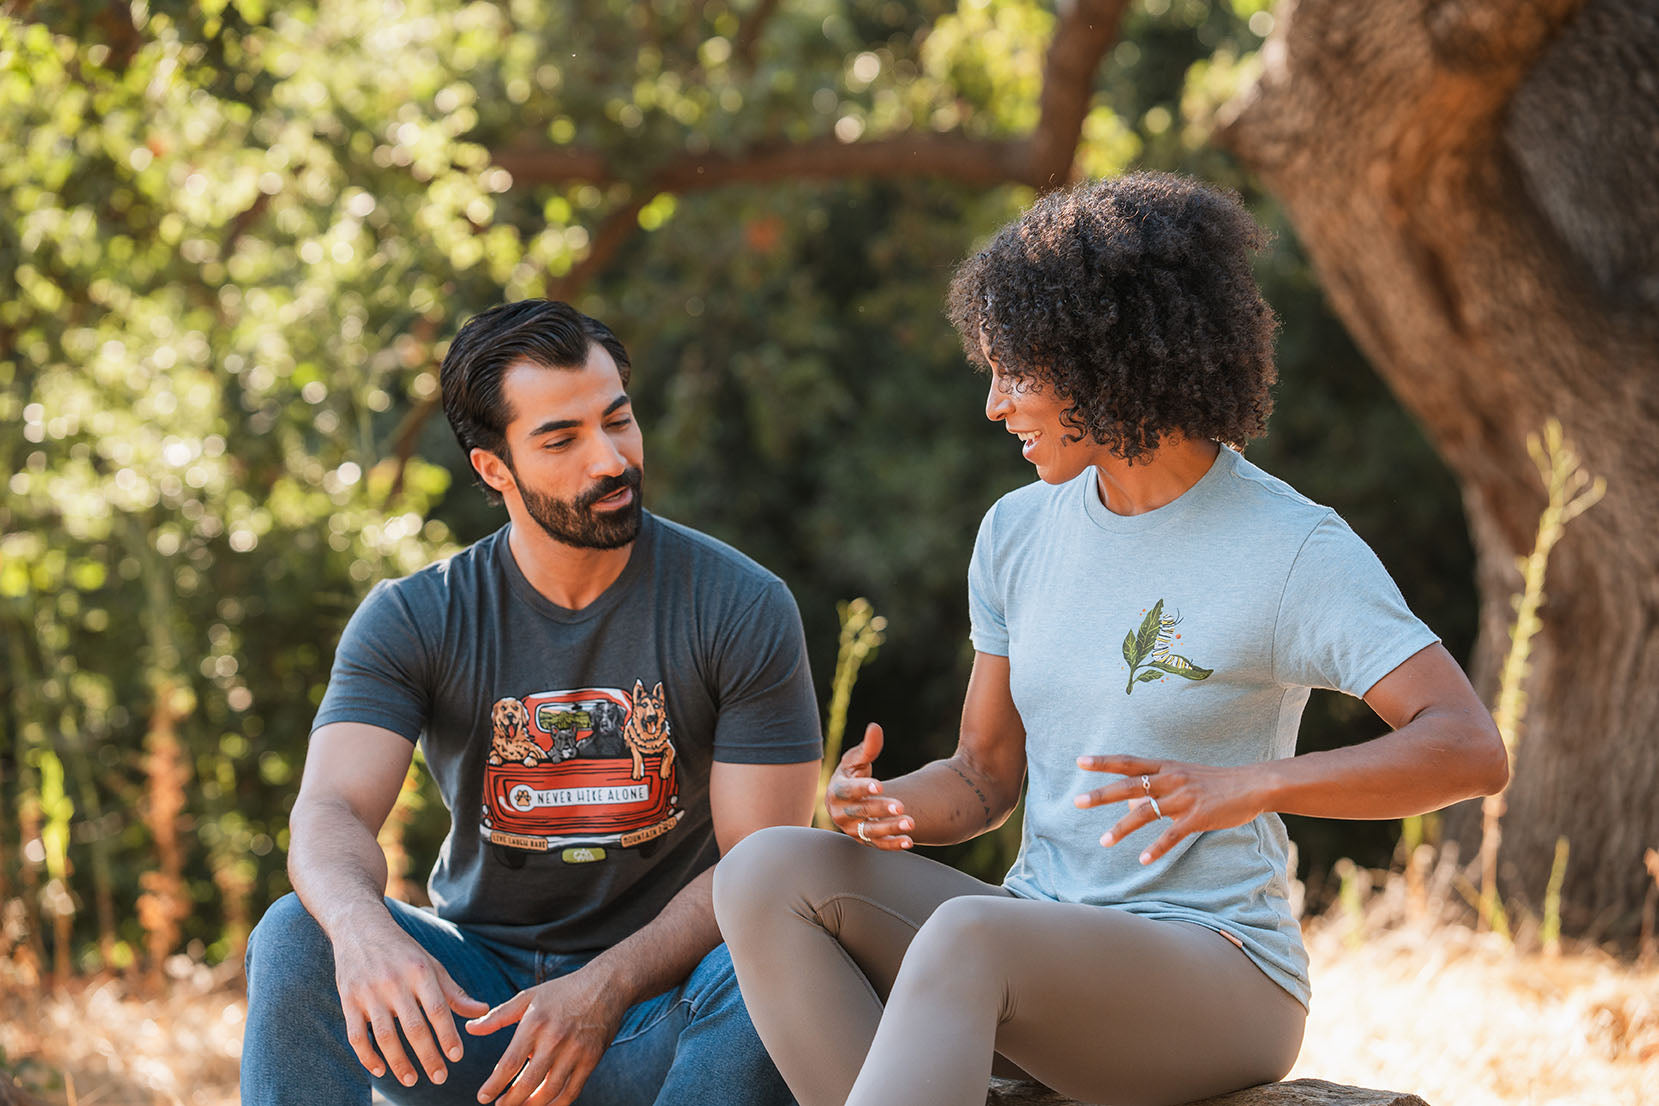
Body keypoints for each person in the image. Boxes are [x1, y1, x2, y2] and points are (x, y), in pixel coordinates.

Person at [713, 173, 1509, 1106]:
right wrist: (888, 809)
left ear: (1106, 359)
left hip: (1215, 972)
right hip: (1035, 942)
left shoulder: (1289, 547)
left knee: (971, 936)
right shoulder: (1017, 530)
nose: (995, 406)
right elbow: (982, 777)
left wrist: (1251, 786)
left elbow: (1468, 748)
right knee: (767, 869)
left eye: (1017, 373)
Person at [242, 299, 823, 1106]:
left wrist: (606, 987)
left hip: (662, 1017)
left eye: (618, 421)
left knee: (778, 939)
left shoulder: (740, 604)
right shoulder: (415, 616)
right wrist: (363, 932)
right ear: (493, 468)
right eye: (562, 439)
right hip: (474, 1023)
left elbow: (760, 864)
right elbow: (330, 809)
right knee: (297, 931)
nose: (610, 460)